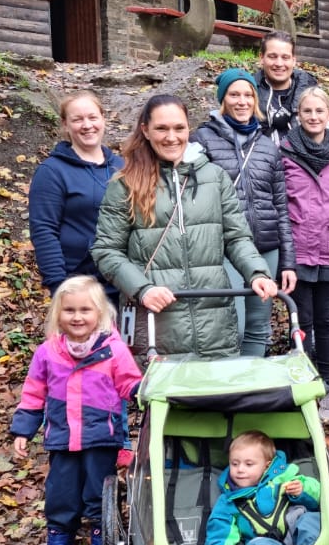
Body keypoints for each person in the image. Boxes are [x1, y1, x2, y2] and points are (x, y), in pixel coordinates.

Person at [92, 95, 280, 359]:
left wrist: (257, 272)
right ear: (145, 130)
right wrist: (142, 289)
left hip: (214, 320)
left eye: (179, 128)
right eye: (162, 128)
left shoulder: (214, 177)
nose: (171, 137)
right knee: (165, 397)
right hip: (158, 319)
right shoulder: (124, 184)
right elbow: (106, 250)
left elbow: (237, 238)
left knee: (217, 395)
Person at [10, 276, 143, 545]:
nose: (77, 316)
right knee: (61, 496)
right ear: (58, 314)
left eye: (85, 309)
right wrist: (24, 430)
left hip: (101, 436)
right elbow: (33, 392)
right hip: (62, 437)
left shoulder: (113, 349)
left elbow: (128, 382)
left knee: (97, 495)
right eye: (69, 310)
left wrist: (143, 390)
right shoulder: (48, 352)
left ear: (99, 314)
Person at [193, 69, 298, 356]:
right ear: (223, 99)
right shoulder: (202, 139)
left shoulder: (267, 146)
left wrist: (288, 261)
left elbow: (281, 206)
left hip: (265, 246)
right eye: (234, 94)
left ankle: (251, 391)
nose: (242, 101)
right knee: (233, 325)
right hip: (223, 248)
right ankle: (227, 388)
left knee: (258, 327)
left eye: (248, 94)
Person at [281, 86, 329, 424]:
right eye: (307, 111)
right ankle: (304, 383)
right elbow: (277, 200)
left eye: (319, 111)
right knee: (302, 321)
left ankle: (327, 387)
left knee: (327, 322)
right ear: (299, 116)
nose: (314, 117)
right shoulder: (284, 153)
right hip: (297, 250)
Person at [27, 92, 123, 302]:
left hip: (124, 283)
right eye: (77, 119)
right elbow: (44, 231)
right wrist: (59, 287)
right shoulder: (52, 171)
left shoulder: (123, 166)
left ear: (103, 118)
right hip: (80, 288)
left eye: (92, 117)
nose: (87, 125)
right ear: (65, 124)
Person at [201, 431, 321, 545]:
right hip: (265, 542)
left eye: (249, 464)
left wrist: (302, 490)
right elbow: (221, 529)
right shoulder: (229, 500)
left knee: (311, 520)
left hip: (295, 527)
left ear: (266, 466)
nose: (240, 469)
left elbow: (317, 495)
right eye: (234, 464)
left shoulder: (283, 477)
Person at [253, 30, 319, 139]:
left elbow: (325, 137)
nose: (279, 64)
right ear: (261, 58)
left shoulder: (312, 93)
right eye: (272, 56)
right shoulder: (248, 92)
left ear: (293, 60)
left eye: (285, 57)